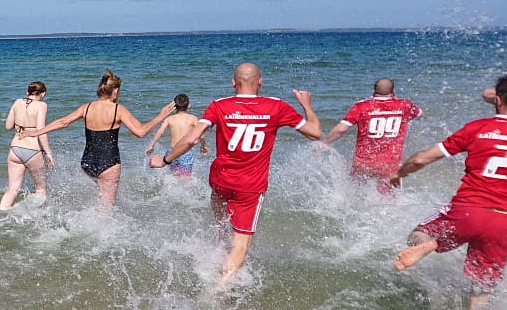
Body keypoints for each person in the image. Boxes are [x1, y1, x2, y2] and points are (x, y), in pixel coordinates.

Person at [152, 62, 322, 285]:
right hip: (250, 187)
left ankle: (220, 250)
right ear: (260, 81)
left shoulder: (219, 105)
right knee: (240, 245)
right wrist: (306, 105)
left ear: (234, 83)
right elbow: (315, 133)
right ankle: (218, 291)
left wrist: (165, 160)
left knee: (222, 221)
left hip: (220, 181)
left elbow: (192, 139)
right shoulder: (276, 106)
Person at [390, 73, 507, 310]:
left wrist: (398, 173)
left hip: (465, 212)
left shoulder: (478, 128)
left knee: (420, 232)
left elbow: (420, 159)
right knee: (480, 294)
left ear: (498, 100)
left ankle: (428, 244)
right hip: (505, 223)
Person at [23, 70, 174, 206]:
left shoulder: (86, 107)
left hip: (87, 162)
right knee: (106, 207)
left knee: (101, 197)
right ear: (114, 91)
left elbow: (63, 122)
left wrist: (36, 132)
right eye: (118, 90)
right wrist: (160, 117)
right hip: (109, 162)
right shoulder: (118, 109)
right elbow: (140, 132)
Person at [320, 77, 423, 191]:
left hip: (363, 163)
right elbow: (421, 116)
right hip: (389, 165)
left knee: (354, 196)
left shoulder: (361, 106)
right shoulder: (406, 105)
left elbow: (341, 129)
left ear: (373, 92)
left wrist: (324, 143)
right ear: (393, 92)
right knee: (391, 200)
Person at [0, 81, 53, 210]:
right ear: (43, 94)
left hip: (15, 149)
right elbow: (41, 131)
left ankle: (1, 213)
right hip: (33, 150)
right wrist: (49, 152)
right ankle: (27, 214)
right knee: (40, 190)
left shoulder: (17, 102)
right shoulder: (42, 105)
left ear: (27, 92)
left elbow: (8, 126)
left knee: (12, 189)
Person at [145, 93, 208, 177]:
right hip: (185, 151)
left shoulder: (169, 119)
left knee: (173, 177)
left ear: (175, 106)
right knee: (185, 178)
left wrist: (152, 145)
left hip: (172, 152)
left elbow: (160, 131)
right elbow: (201, 135)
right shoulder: (193, 118)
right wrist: (203, 146)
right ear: (188, 105)